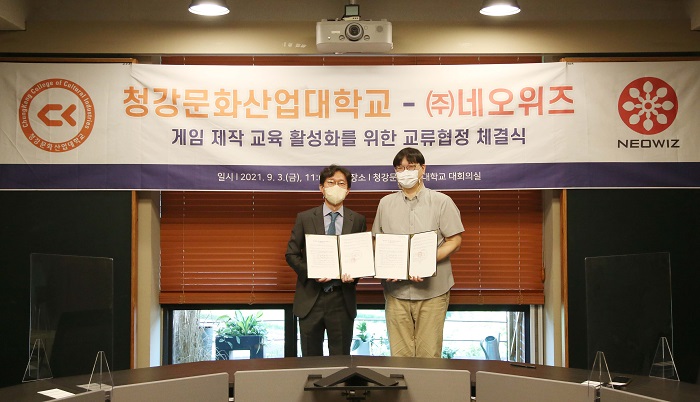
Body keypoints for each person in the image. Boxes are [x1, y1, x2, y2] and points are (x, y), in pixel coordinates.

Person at [372, 147, 464, 358]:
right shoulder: (385, 203)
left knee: (428, 357)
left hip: (432, 292)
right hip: (396, 293)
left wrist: (427, 261)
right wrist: (386, 266)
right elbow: (378, 241)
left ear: (423, 169)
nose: (405, 172)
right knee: (399, 357)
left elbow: (455, 241)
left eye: (411, 167)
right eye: (400, 168)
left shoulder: (442, 201)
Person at [285, 164, 368, 356]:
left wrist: (354, 275)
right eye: (331, 182)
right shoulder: (305, 218)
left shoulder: (357, 220)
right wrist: (312, 272)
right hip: (310, 298)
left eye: (341, 183)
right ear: (321, 188)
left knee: (340, 359)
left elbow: (361, 256)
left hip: (342, 298)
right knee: (311, 360)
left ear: (348, 190)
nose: (336, 187)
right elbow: (291, 254)